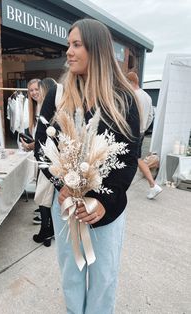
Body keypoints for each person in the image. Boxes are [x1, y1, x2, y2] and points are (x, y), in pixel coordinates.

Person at [34, 19, 140, 314]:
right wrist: (63, 185)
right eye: (69, 44)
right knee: (71, 275)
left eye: (76, 44)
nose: (68, 51)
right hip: (66, 204)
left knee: (104, 277)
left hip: (107, 208)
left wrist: (104, 201)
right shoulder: (57, 95)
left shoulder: (122, 100)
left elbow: (129, 157)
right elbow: (43, 145)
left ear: (97, 49)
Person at [126, 71, 162, 199]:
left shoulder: (131, 96)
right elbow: (151, 115)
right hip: (140, 132)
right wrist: (143, 128)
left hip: (130, 132)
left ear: (131, 82)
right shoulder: (147, 96)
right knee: (136, 158)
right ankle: (153, 185)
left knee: (133, 159)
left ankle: (153, 185)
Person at [32, 78, 57, 246]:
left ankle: (45, 232)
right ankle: (48, 231)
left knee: (44, 197)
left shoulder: (49, 109)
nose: (36, 93)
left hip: (48, 158)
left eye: (38, 90)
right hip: (48, 157)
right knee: (47, 196)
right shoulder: (45, 107)